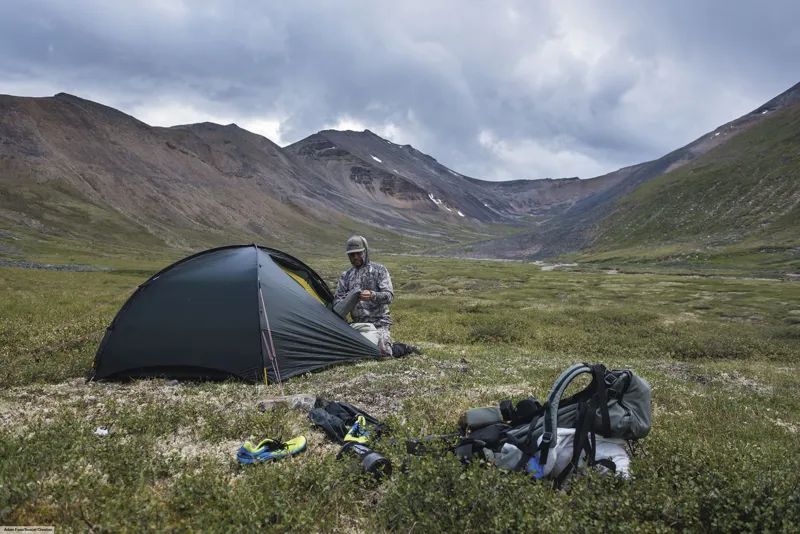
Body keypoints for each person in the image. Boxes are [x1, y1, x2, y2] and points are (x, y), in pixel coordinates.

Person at [333, 235, 420, 357]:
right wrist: (348, 299)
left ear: (366, 251)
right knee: (354, 352)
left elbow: (389, 296)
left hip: (379, 322)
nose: (355, 257)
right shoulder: (346, 276)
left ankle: (403, 348)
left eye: (358, 253)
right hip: (358, 324)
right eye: (351, 255)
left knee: (383, 354)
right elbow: (337, 301)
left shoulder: (380, 270)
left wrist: (373, 295)